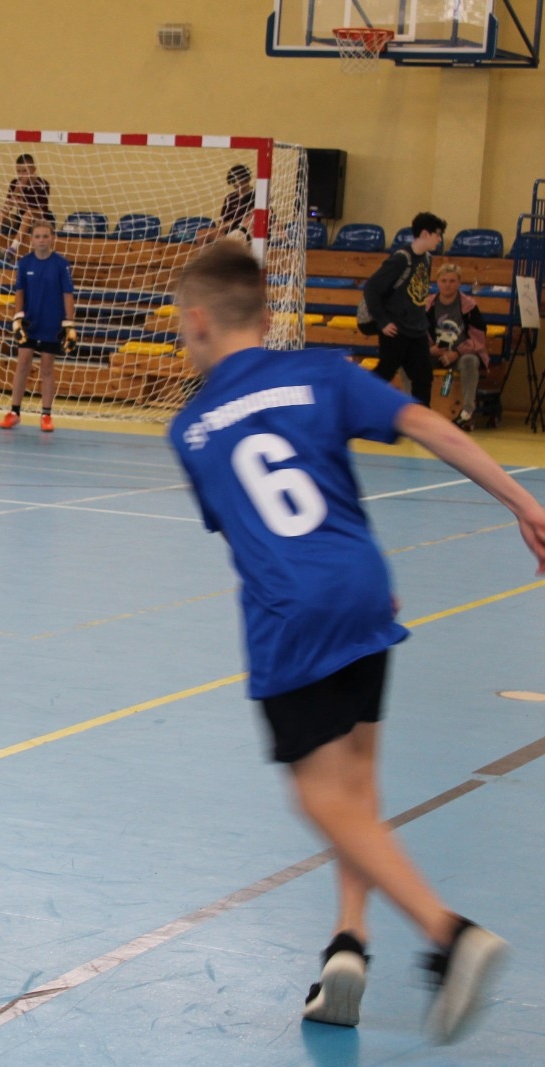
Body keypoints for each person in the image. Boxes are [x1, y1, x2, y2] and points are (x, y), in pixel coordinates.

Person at [169, 239, 544, 1045]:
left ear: (197, 321)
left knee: (319, 795)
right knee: (357, 782)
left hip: (292, 615)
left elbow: (248, 529)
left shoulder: (192, 428)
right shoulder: (322, 372)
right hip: (366, 586)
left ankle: (449, 935)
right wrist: (523, 503)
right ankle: (348, 941)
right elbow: (429, 427)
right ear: (267, 315)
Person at [0, 221, 75, 433]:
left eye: (45, 236)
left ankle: (46, 415)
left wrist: (70, 324)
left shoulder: (61, 264)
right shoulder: (24, 263)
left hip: (52, 323)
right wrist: (17, 317)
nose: (42, 240)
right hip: (30, 323)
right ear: (31, 240)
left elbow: (68, 294)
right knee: (22, 363)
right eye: (38, 236)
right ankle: (14, 412)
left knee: (47, 367)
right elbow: (19, 292)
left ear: (52, 238)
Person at [364, 211, 444, 405]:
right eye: (438, 234)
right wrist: (383, 321)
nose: (440, 239)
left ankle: (421, 418)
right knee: (385, 372)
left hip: (417, 330)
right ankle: (357, 402)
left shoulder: (427, 259)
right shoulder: (401, 259)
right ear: (425, 234)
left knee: (424, 377)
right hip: (395, 329)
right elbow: (371, 288)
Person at [426, 263, 489, 431]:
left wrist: (457, 352)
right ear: (437, 282)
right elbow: (419, 334)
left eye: (452, 281)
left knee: (470, 361)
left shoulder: (469, 306)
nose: (447, 284)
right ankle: (416, 406)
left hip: (461, 354)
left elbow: (478, 338)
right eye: (444, 280)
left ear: (459, 283)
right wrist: (430, 350)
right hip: (435, 352)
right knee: (411, 360)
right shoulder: (428, 305)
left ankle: (467, 410)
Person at [0, 153, 54, 258]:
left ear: (33, 170)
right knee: (2, 213)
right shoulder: (15, 183)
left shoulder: (43, 184)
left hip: (38, 220)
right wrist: (16, 190)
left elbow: (41, 213)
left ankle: (12, 249)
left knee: (28, 214)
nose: (21, 175)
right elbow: (7, 207)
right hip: (21, 220)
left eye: (25, 171)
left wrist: (24, 206)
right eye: (19, 171)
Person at [214, 164, 256, 241]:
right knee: (202, 234)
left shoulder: (257, 196)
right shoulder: (229, 198)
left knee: (234, 236)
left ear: (247, 179)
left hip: (247, 231)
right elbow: (223, 221)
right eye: (233, 180)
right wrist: (222, 227)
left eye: (239, 179)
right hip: (229, 230)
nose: (236, 183)